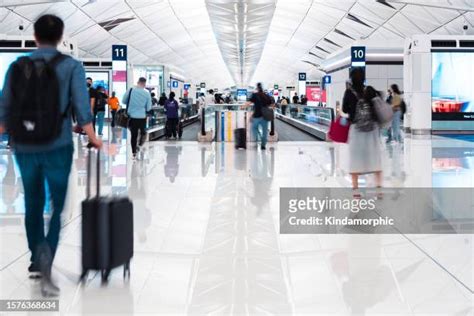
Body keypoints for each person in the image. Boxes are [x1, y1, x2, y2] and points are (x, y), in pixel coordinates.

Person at [0, 14, 102, 296]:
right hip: (57, 145)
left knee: (32, 202)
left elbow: (4, 107)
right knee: (57, 207)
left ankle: (35, 257)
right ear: (61, 37)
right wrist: (94, 138)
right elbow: (82, 109)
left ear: (35, 37)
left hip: (24, 146)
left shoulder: (17, 66)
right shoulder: (71, 66)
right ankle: (46, 259)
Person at [342, 68, 382, 195]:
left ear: (351, 78)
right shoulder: (369, 90)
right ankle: (379, 189)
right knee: (375, 157)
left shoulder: (348, 92)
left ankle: (356, 191)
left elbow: (344, 109)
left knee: (355, 159)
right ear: (364, 78)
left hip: (356, 128)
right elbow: (378, 105)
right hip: (372, 129)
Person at [122, 77, 152, 159]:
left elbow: (124, 101)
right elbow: (149, 108)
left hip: (132, 117)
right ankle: (139, 145)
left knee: (133, 135)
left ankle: (134, 153)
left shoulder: (131, 90)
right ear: (144, 84)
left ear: (137, 82)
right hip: (142, 117)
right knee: (143, 133)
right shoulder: (147, 93)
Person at [245, 83, 272, 150]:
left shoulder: (255, 95)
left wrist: (243, 106)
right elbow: (270, 104)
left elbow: (249, 103)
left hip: (257, 116)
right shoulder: (266, 95)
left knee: (254, 128)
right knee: (265, 131)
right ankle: (263, 145)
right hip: (265, 116)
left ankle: (257, 140)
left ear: (257, 88)